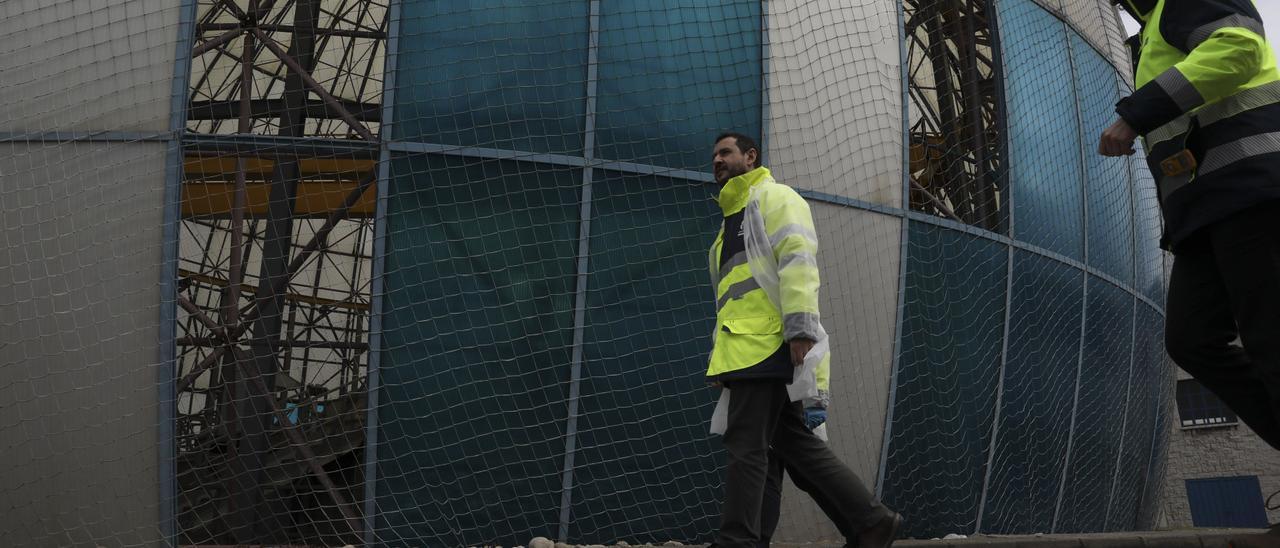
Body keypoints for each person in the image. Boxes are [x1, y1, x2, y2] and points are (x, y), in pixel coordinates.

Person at [705, 132, 900, 548]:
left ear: (750, 156)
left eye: (726, 152)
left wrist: (799, 330)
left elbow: (799, 262)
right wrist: (719, 363)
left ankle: (737, 541)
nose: (717, 160)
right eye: (715, 156)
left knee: (747, 446)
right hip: (744, 350)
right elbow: (728, 303)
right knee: (788, 445)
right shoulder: (727, 227)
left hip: (766, 347)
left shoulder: (774, 199)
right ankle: (870, 522)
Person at [1101, 0, 1280, 450]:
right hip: (1204, 212)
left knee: (1271, 336)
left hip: (1254, 188)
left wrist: (1133, 116)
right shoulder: (1151, 31)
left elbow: (1236, 49)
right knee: (1193, 340)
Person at [757, 365, 851, 548]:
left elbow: (818, 350)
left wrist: (816, 402)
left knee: (808, 475)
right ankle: (756, 541)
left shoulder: (803, 334)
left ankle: (862, 528)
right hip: (766, 399)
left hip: (794, 405)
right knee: (765, 473)